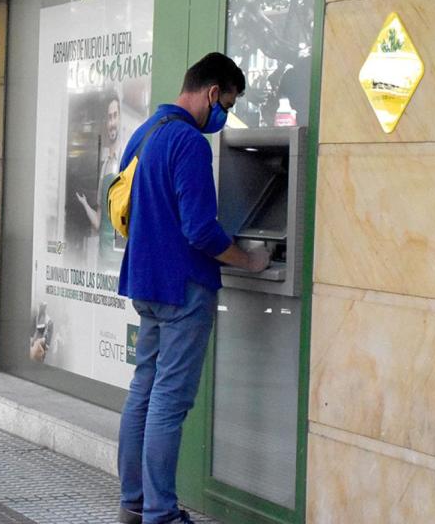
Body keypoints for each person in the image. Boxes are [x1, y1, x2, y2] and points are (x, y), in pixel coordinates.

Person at [116, 53, 271, 524]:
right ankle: (161, 513)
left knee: (143, 389)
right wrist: (250, 259)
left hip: (145, 281)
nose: (225, 114)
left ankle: (133, 503)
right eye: (228, 102)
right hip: (183, 286)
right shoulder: (188, 142)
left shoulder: (146, 133)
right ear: (211, 93)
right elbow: (201, 230)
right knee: (169, 400)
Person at [76, 90, 124, 268]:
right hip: (103, 261)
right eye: (108, 118)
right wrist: (84, 204)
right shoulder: (104, 168)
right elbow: (99, 221)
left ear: (120, 118)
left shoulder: (126, 163)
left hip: (120, 262)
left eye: (114, 116)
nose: (112, 122)